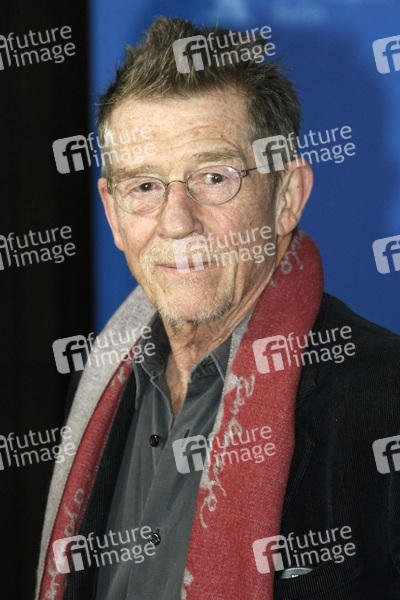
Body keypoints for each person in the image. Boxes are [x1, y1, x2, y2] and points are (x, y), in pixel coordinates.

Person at [36, 16, 400, 600]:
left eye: (213, 177)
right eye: (144, 186)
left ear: (287, 196)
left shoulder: (385, 401)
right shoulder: (96, 388)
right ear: (112, 213)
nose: (176, 222)